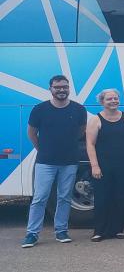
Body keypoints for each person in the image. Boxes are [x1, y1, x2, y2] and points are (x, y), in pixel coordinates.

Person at [22, 75, 87, 248]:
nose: (61, 90)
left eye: (64, 86)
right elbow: (31, 133)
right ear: (50, 88)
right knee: (40, 197)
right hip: (45, 162)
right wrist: (42, 149)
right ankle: (32, 234)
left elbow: (81, 131)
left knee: (64, 197)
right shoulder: (40, 109)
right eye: (57, 87)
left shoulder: (79, 109)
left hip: (70, 161)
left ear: (69, 88)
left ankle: (61, 231)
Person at [85, 88, 124, 242]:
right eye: (109, 99)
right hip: (103, 165)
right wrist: (94, 166)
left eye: (116, 98)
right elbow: (90, 144)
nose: (113, 101)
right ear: (102, 102)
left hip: (123, 163)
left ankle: (118, 229)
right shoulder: (95, 120)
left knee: (121, 196)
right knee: (102, 197)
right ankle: (99, 231)